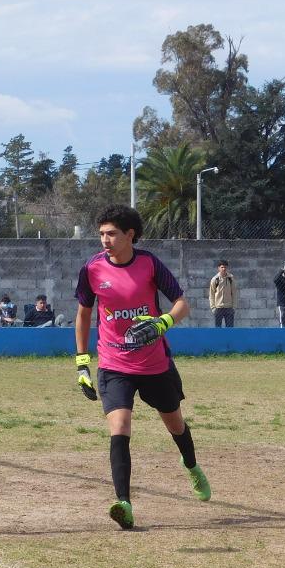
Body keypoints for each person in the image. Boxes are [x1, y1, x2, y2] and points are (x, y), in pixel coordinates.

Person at [74, 204, 210, 530]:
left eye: (112, 234)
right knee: (119, 428)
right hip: (113, 363)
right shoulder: (92, 269)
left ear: (129, 235)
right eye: (102, 234)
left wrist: (163, 322)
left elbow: (182, 305)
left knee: (175, 424)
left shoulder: (149, 263)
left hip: (153, 363)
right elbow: (83, 315)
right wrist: (82, 364)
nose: (105, 240)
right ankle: (124, 503)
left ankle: (191, 465)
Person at [208, 260, 237, 327]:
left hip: (229, 308)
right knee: (218, 330)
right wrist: (213, 308)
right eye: (222, 267)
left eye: (225, 267)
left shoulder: (231, 279)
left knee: (230, 330)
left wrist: (234, 307)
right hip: (218, 308)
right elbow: (211, 295)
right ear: (218, 268)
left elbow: (234, 293)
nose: (224, 269)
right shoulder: (215, 279)